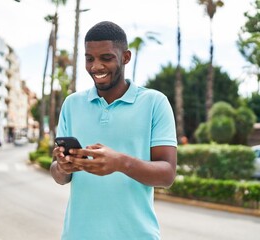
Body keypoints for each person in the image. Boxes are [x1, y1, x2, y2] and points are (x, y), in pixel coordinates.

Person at [51, 21, 177, 240]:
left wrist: (120, 162)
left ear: (126, 57)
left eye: (106, 58)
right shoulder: (72, 104)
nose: (96, 66)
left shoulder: (155, 102)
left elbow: (167, 174)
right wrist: (63, 167)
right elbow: (59, 176)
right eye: (89, 58)